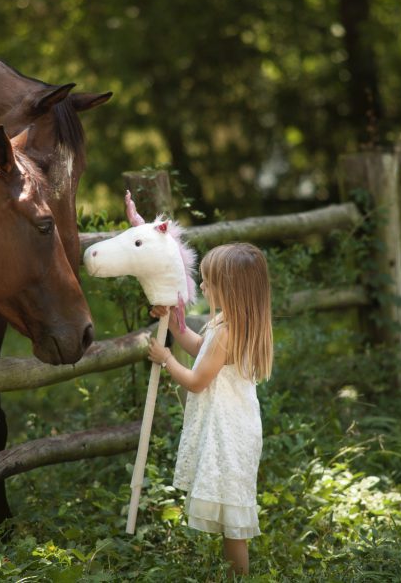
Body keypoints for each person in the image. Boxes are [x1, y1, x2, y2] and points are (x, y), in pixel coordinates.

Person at [147, 242, 273, 577]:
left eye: (208, 281)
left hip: (229, 431)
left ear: (230, 288)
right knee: (229, 512)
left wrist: (167, 358)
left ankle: (239, 577)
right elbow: (201, 350)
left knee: (234, 522)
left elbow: (197, 380)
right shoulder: (227, 322)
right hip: (232, 426)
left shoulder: (227, 333)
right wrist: (178, 328)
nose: (201, 286)